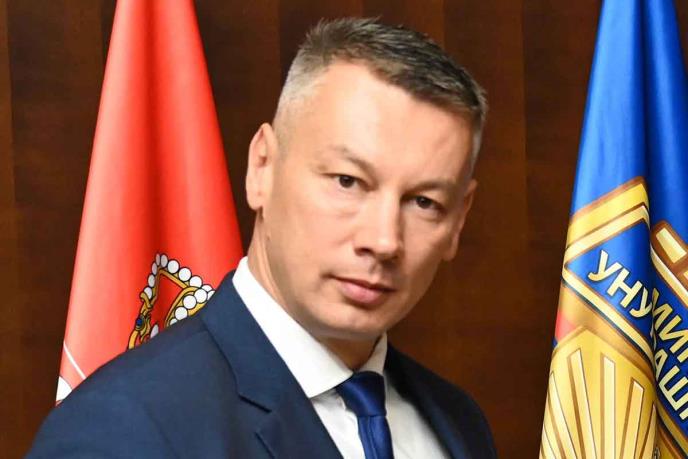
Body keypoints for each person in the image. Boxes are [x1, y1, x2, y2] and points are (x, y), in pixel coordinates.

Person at [28, 17, 495, 458]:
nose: (384, 240)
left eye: (424, 202)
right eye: (347, 181)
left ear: (459, 218)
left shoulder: (457, 422)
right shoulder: (118, 430)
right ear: (262, 168)